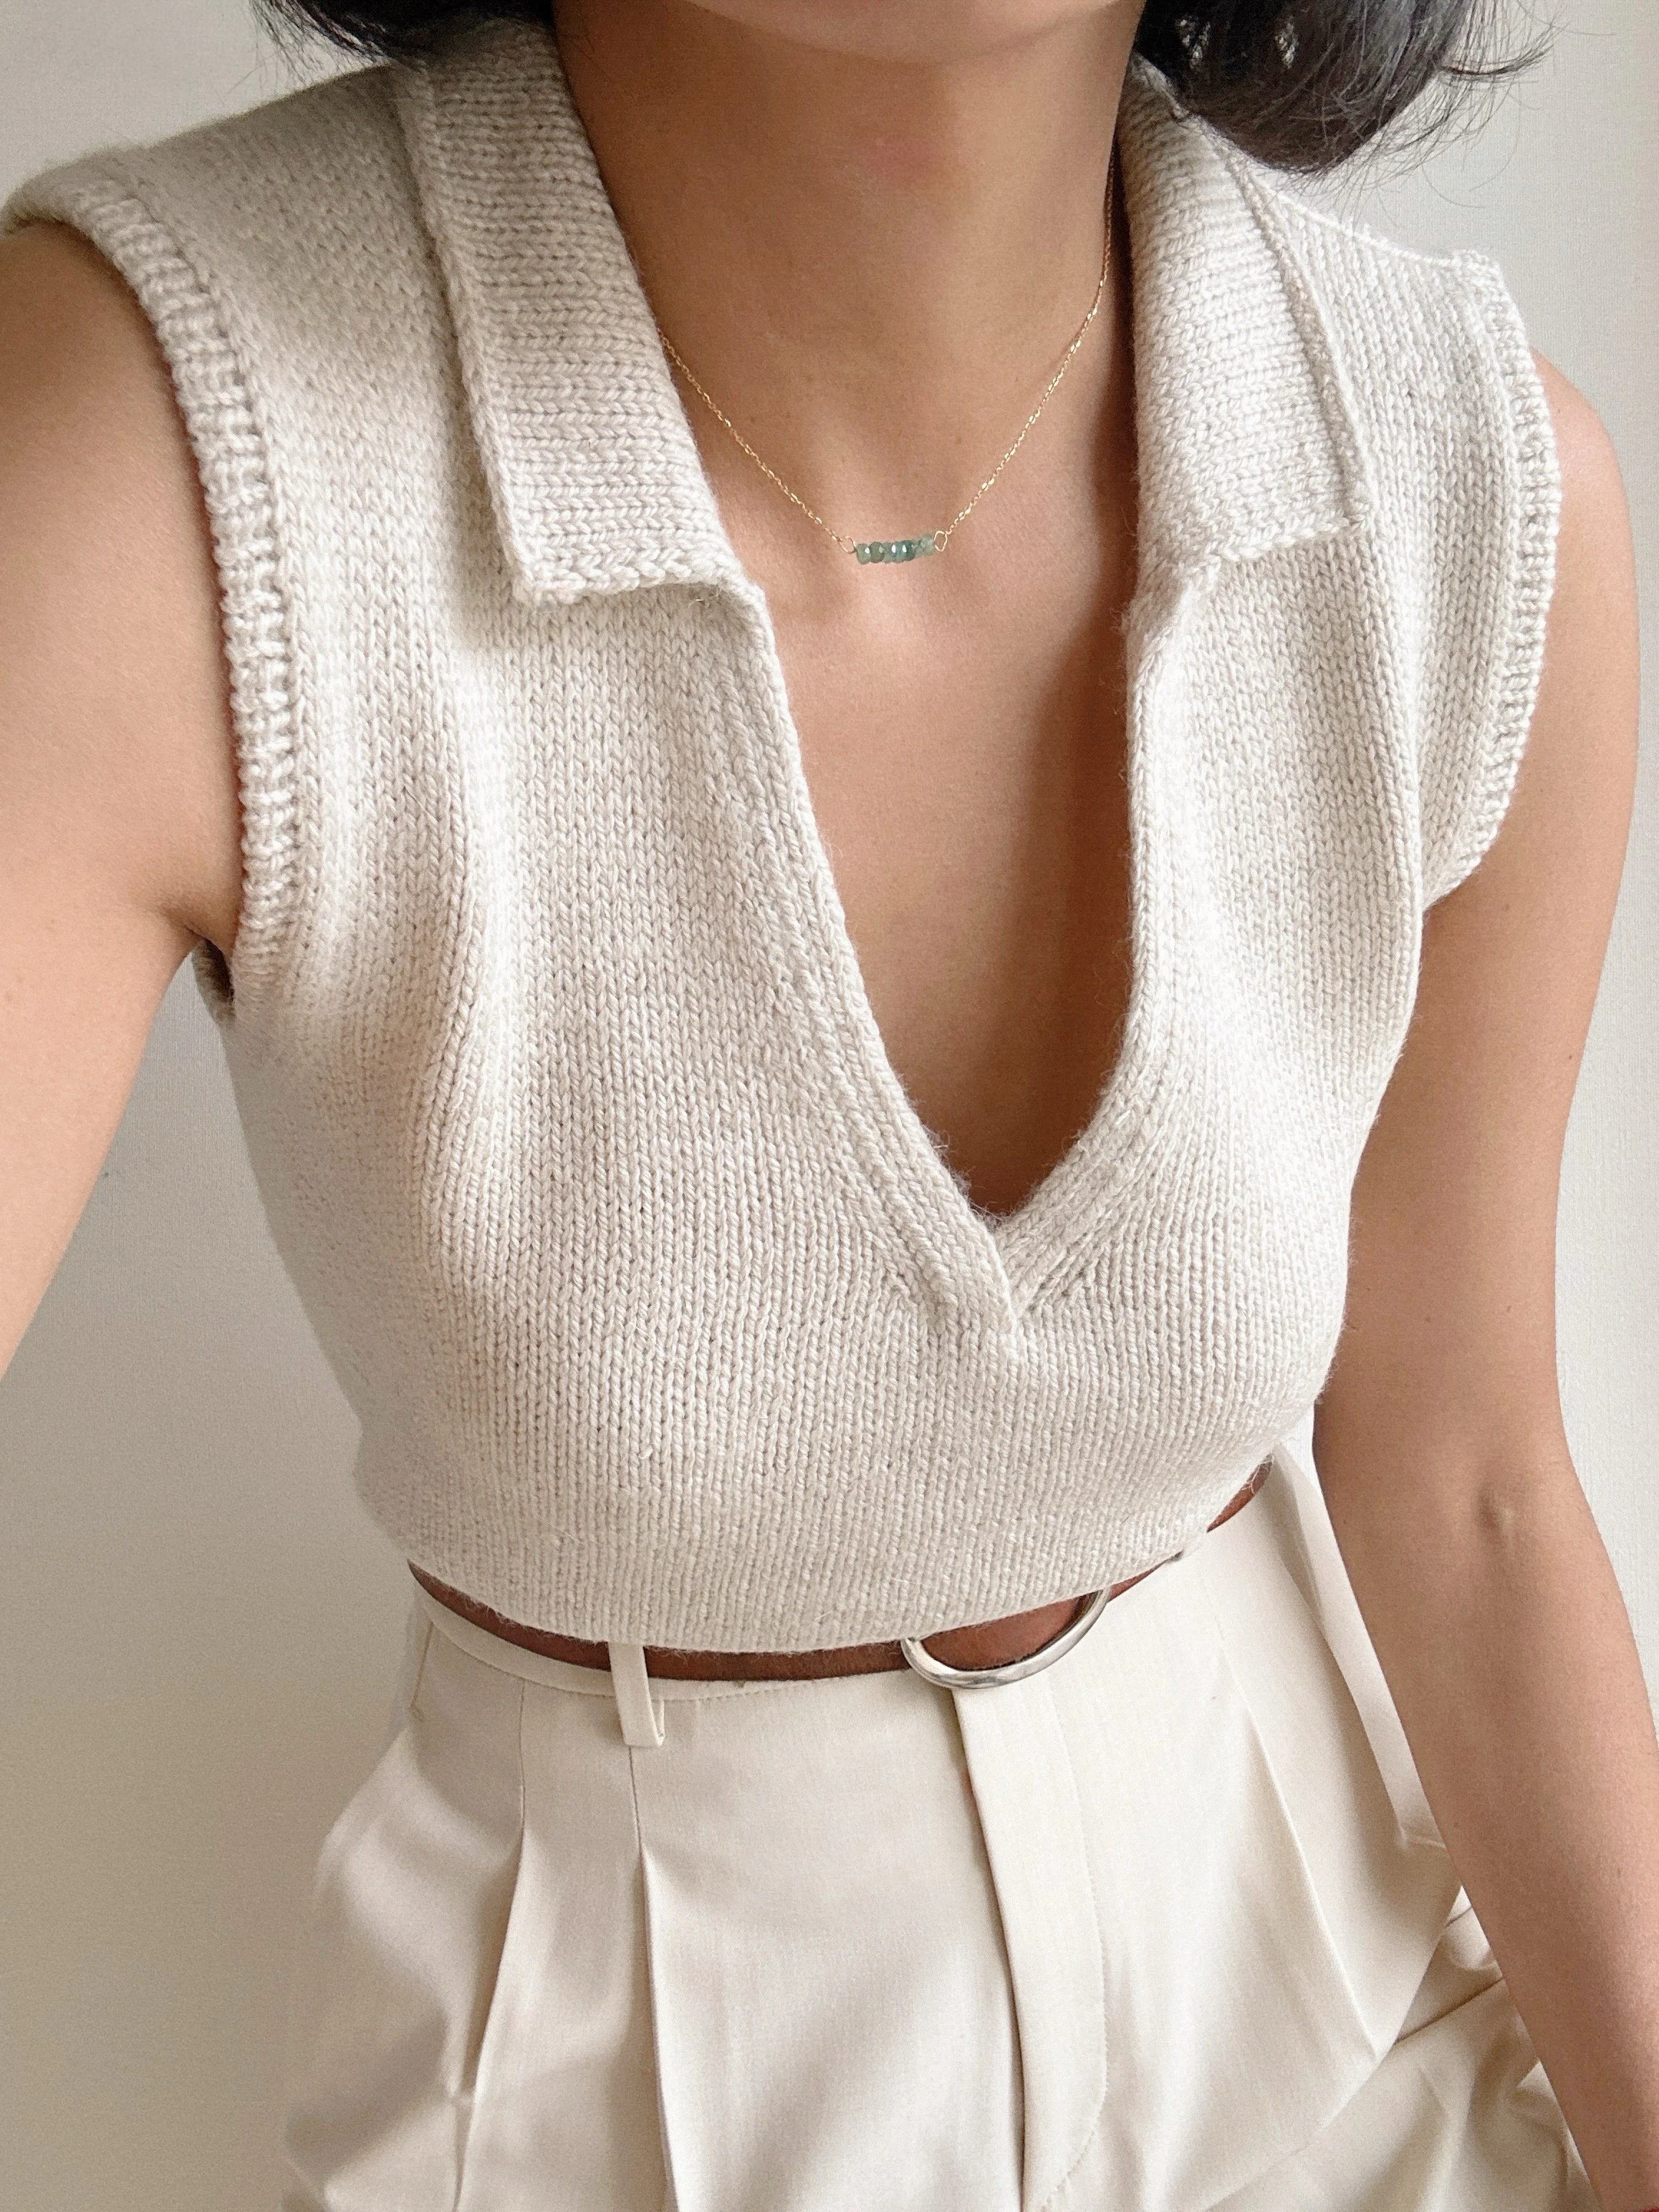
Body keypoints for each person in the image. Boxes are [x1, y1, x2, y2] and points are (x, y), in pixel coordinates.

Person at [0, 0, 1652, 2205]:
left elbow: (1463, 1484)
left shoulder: (1469, 476)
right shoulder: (162, 434)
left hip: (1358, 2016)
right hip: (619, 2069)